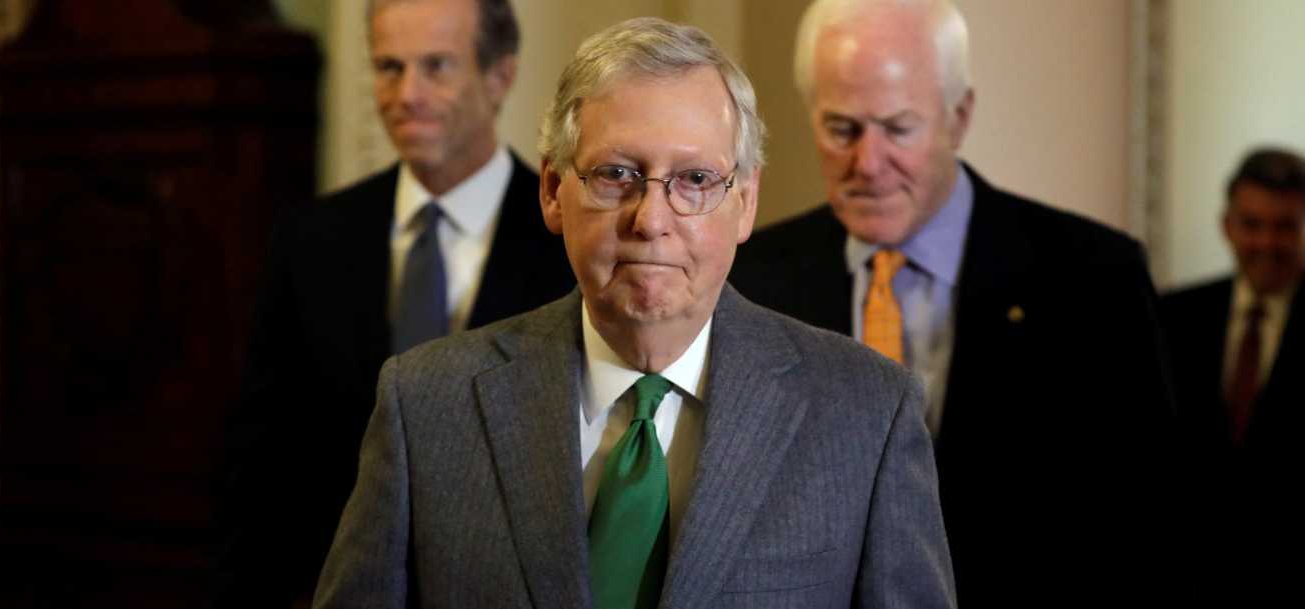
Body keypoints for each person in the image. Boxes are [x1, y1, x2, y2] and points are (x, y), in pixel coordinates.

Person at [312, 17, 954, 609]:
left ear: (747, 204)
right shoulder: (426, 405)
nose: (650, 220)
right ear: (552, 191)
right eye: (616, 174)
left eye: (696, 181)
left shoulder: (867, 413)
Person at [728, 0, 1175, 605]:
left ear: (958, 118)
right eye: (842, 129)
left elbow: (1147, 530)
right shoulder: (752, 275)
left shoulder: (1093, 277)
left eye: (898, 128)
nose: (868, 163)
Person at [216, 0, 573, 606]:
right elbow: (262, 461)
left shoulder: (562, 245)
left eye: (436, 66)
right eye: (388, 67)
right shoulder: (311, 238)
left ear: (500, 76)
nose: (406, 94)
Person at [1159, 148, 1305, 606]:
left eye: (1286, 226)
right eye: (1252, 224)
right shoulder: (1173, 318)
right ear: (1227, 226)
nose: (1267, 242)